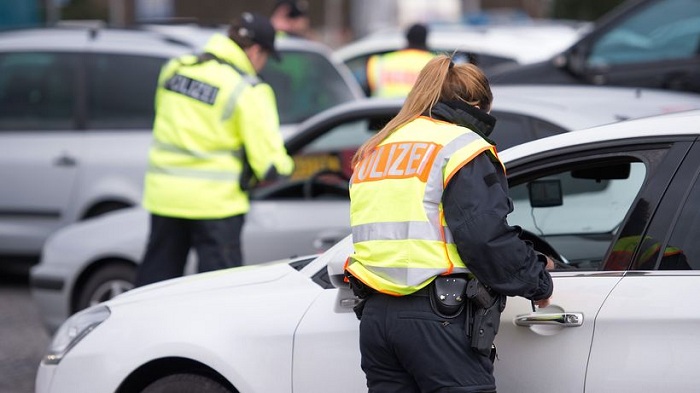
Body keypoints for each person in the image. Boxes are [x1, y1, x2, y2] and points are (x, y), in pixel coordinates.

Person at [344, 55, 554, 392]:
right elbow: (483, 237)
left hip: (376, 318)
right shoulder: (461, 146)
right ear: (478, 106)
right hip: (436, 318)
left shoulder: (378, 149)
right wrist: (538, 281)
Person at [135, 12, 294, 287]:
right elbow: (267, 163)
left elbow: (164, 117)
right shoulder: (248, 89)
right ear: (256, 51)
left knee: (155, 284)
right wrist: (289, 168)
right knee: (219, 291)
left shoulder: (175, 68)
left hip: (165, 199)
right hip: (216, 207)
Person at [365, 23, 436, 98]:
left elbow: (368, 92)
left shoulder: (380, 63)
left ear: (407, 38)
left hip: (383, 109)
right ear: (425, 40)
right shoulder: (436, 65)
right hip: (421, 109)